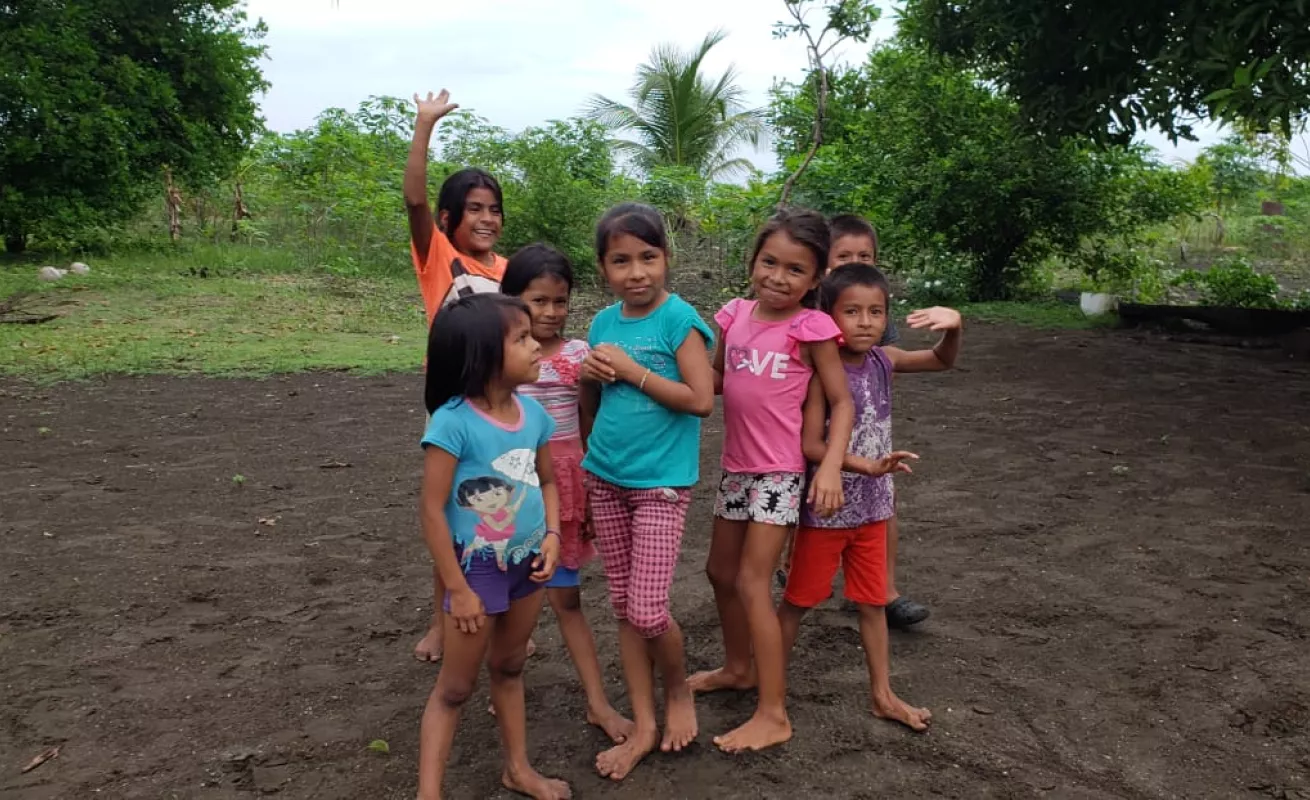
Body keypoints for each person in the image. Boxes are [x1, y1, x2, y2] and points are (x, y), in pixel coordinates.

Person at [689, 208, 855, 753]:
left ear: (815, 278)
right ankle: (739, 668)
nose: (778, 278)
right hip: (737, 467)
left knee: (752, 582)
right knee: (719, 572)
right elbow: (718, 377)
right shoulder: (734, 316)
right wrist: (659, 376)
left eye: (795, 270)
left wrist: (829, 465)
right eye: (769, 263)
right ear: (753, 261)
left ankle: (773, 713)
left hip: (779, 472)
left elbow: (841, 401)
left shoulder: (811, 328)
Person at [779, 262, 962, 733]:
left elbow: (941, 361)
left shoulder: (884, 360)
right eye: (852, 311)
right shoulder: (823, 372)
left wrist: (954, 327)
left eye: (875, 312)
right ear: (828, 316)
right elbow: (811, 445)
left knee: (873, 603)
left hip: (874, 510)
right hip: (827, 511)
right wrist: (866, 466)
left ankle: (883, 695)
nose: (865, 322)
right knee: (798, 601)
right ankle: (768, 691)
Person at [579, 203, 715, 781]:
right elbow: (591, 404)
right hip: (605, 479)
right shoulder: (602, 324)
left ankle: (677, 690)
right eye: (620, 261)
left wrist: (632, 370)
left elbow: (701, 399)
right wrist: (589, 377)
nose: (636, 272)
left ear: (666, 258)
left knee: (647, 609)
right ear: (603, 268)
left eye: (647, 257)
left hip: (660, 486)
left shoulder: (678, 320)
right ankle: (643, 724)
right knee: (622, 608)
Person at [415, 293, 568, 800]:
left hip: (528, 564)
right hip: (476, 571)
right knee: (455, 689)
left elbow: (548, 481)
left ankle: (517, 769)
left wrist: (553, 535)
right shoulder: (453, 423)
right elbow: (432, 510)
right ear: (481, 355)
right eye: (521, 338)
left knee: (510, 666)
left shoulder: (534, 414)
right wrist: (457, 589)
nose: (536, 345)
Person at [499, 243, 634, 744]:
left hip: (569, 487)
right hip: (513, 489)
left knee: (567, 599)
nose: (552, 312)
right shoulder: (501, 357)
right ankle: (502, 682)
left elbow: (588, 421)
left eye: (560, 301)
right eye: (539, 301)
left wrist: (595, 493)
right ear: (513, 300)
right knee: (506, 597)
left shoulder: (580, 357)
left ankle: (598, 703)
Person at [405, 88, 516, 663]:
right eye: (474, 208)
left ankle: (502, 623)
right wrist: (425, 124)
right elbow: (414, 199)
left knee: (501, 513)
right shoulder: (439, 258)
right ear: (450, 219)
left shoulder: (509, 272)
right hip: (453, 408)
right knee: (452, 516)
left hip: (502, 409)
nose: (487, 218)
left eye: (493, 208)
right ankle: (440, 619)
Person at [826, 214, 930, 629]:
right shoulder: (813, 307)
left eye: (865, 256)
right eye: (843, 256)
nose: (855, 263)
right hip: (813, 424)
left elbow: (887, 365)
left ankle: (883, 591)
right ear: (823, 260)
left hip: (866, 426)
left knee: (882, 503)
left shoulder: (872, 309)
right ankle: (791, 567)